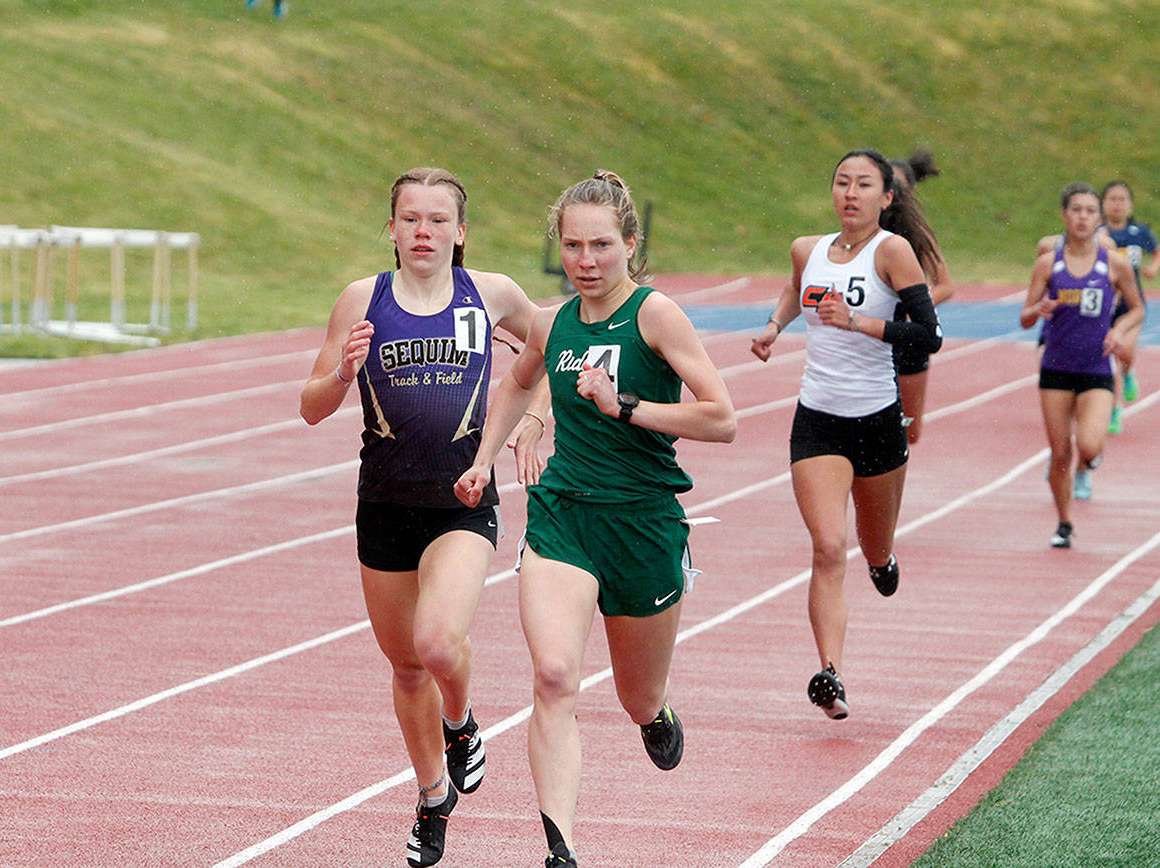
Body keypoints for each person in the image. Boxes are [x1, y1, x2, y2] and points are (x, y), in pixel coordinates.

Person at [453, 171, 736, 867]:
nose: (587, 260)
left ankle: (656, 710)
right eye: (573, 245)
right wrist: (485, 457)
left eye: (602, 245)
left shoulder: (655, 314)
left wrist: (627, 408)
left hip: (642, 525)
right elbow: (518, 382)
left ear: (629, 244)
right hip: (564, 518)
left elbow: (722, 418)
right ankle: (561, 850)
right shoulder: (553, 324)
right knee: (553, 676)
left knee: (636, 696)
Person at [300, 167, 546, 867]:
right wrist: (343, 372)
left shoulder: (489, 295)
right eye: (411, 219)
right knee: (407, 667)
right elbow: (310, 406)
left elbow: (554, 346)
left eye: (438, 220)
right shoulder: (362, 299)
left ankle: (462, 723)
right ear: (391, 229)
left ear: (460, 232)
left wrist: (535, 417)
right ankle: (433, 795)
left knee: (438, 644)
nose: (423, 232)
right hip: (382, 505)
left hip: (462, 501)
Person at [750, 148, 943, 720]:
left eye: (863, 185)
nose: (849, 193)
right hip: (818, 420)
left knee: (871, 545)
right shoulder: (807, 250)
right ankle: (830, 673)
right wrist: (772, 327)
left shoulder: (894, 252)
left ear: (886, 198)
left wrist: (858, 321)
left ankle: (882, 560)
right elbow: (795, 287)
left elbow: (928, 336)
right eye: (841, 182)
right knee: (829, 546)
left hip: (879, 421)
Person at [1019, 182, 1143, 547]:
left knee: (1088, 446)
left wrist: (1119, 330)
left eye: (1090, 211)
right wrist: (1037, 310)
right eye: (1076, 210)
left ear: (1099, 219)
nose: (1083, 217)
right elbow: (1025, 317)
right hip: (1056, 370)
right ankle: (1064, 522)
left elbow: (1136, 308)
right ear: (1064, 215)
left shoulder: (1114, 264)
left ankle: (1087, 466)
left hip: (1096, 370)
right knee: (1059, 452)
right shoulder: (1048, 263)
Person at [889, 150, 955, 443]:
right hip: (870, 338)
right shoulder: (859, 233)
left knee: (908, 429)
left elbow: (945, 285)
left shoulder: (917, 235)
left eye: (897, 186)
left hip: (909, 339)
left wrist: (914, 305)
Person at [1100, 180, 1157, 433]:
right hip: (1104, 305)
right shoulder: (1098, 234)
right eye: (1112, 199)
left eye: (1122, 199)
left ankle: (1128, 371)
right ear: (1103, 204)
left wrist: (1153, 267)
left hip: (1131, 305)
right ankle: (1113, 411)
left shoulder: (1139, 232)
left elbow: (1157, 251)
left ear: (1130, 204)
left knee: (1123, 349)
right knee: (1106, 358)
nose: (1117, 204)